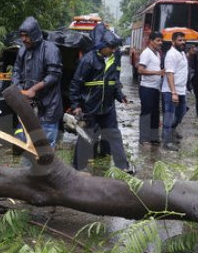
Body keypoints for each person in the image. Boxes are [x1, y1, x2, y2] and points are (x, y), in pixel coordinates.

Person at [69, 23, 133, 174]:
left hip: (108, 107)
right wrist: (75, 105)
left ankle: (123, 166)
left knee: (114, 135)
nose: (114, 51)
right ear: (102, 45)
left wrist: (120, 96)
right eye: (111, 48)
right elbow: (75, 84)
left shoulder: (111, 60)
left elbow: (113, 82)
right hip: (90, 107)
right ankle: (78, 168)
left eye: (115, 48)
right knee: (86, 136)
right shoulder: (88, 60)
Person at [11, 16, 63, 148]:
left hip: (49, 105)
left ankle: (46, 168)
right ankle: (29, 168)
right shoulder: (22, 50)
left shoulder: (51, 49)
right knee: (28, 143)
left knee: (45, 146)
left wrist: (33, 90)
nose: (23, 39)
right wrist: (18, 88)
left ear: (34, 35)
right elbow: (16, 70)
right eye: (22, 36)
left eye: (26, 36)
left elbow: (54, 75)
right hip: (29, 105)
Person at [160, 31, 189, 150]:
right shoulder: (171, 54)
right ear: (173, 42)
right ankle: (167, 142)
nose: (183, 42)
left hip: (181, 90)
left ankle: (169, 133)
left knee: (181, 113)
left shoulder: (181, 53)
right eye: (180, 40)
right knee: (169, 116)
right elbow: (169, 74)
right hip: (171, 91)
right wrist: (173, 92)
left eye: (183, 40)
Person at [137, 31, 164, 145]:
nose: (160, 43)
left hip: (155, 88)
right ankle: (143, 138)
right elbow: (140, 70)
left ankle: (154, 137)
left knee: (155, 113)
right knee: (146, 113)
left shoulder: (157, 53)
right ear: (151, 41)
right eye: (158, 40)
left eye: (161, 40)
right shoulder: (146, 53)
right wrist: (157, 73)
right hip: (146, 88)